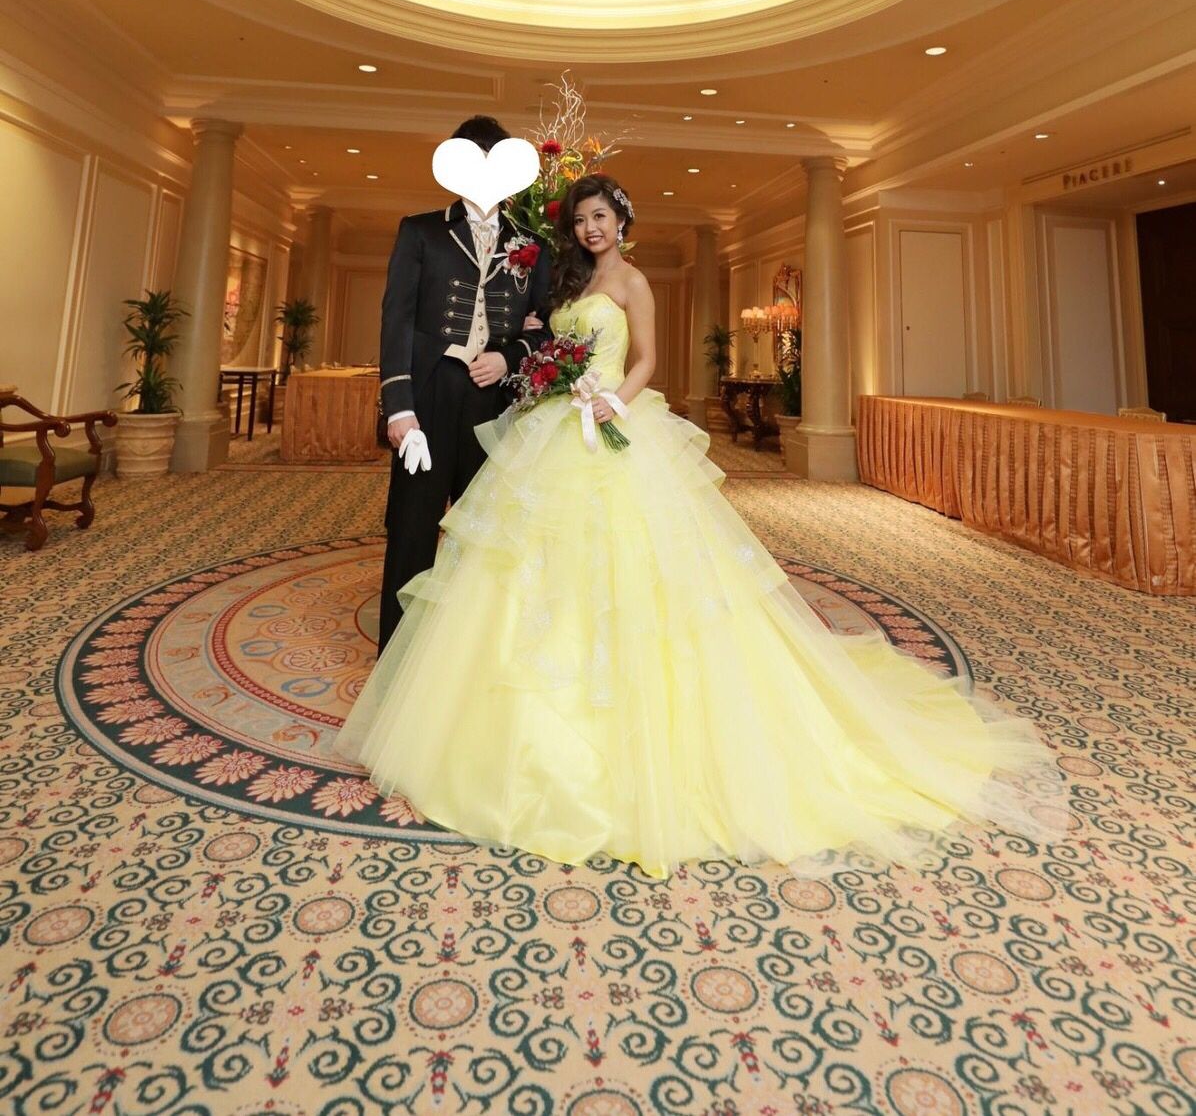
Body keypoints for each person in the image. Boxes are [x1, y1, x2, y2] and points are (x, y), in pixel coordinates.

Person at [342, 174, 1063, 878]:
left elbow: (648, 360)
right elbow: (542, 342)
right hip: (556, 426)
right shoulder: (567, 284)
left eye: (601, 217)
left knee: (636, 566)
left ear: (621, 222)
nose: (591, 229)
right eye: (582, 219)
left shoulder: (633, 283)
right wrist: (548, 368)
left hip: (612, 422)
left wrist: (613, 401)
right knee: (529, 568)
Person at [375, 115, 552, 652]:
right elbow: (397, 320)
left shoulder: (532, 244)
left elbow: (546, 328)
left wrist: (507, 356)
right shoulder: (421, 230)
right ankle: (398, 654)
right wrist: (399, 408)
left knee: (485, 530)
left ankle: (468, 654)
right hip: (429, 395)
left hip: (494, 403)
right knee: (413, 526)